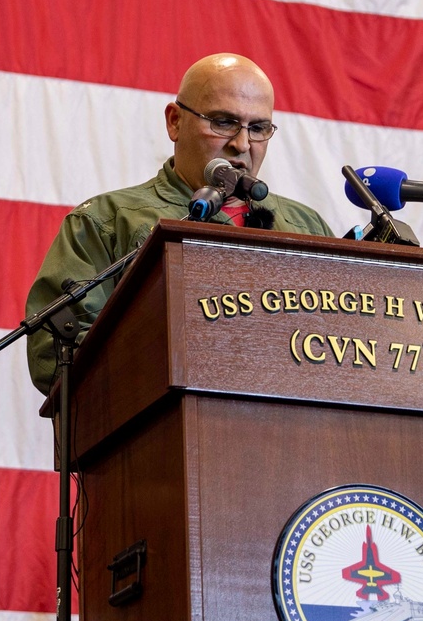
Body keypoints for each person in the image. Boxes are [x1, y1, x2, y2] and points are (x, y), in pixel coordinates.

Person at [26, 53, 332, 392]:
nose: (242, 144)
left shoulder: (306, 227)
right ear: (174, 122)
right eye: (223, 122)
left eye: (258, 128)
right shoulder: (105, 221)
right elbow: (55, 358)